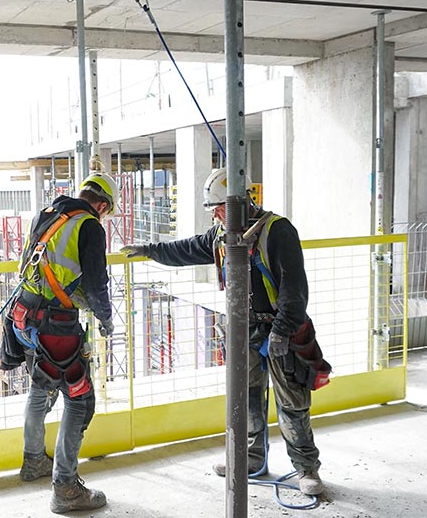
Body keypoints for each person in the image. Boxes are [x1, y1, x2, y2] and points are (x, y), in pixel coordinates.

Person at [121, 167, 325, 496]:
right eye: (213, 209)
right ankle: (250, 461)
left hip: (279, 328)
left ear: (240, 204)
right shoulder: (221, 235)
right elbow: (186, 249)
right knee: (245, 400)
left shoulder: (278, 231)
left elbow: (294, 289)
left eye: (219, 208)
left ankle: (306, 469)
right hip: (243, 330)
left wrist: (282, 332)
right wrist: (150, 250)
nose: (215, 214)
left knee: (292, 403)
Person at [0, 171, 117, 513]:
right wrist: (106, 318)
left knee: (41, 388)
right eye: (105, 212)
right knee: (80, 400)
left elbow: (39, 268)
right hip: (54, 326)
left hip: (23, 315)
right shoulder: (89, 225)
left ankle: (33, 460)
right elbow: (96, 283)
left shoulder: (46, 215)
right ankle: (65, 488)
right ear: (102, 205)